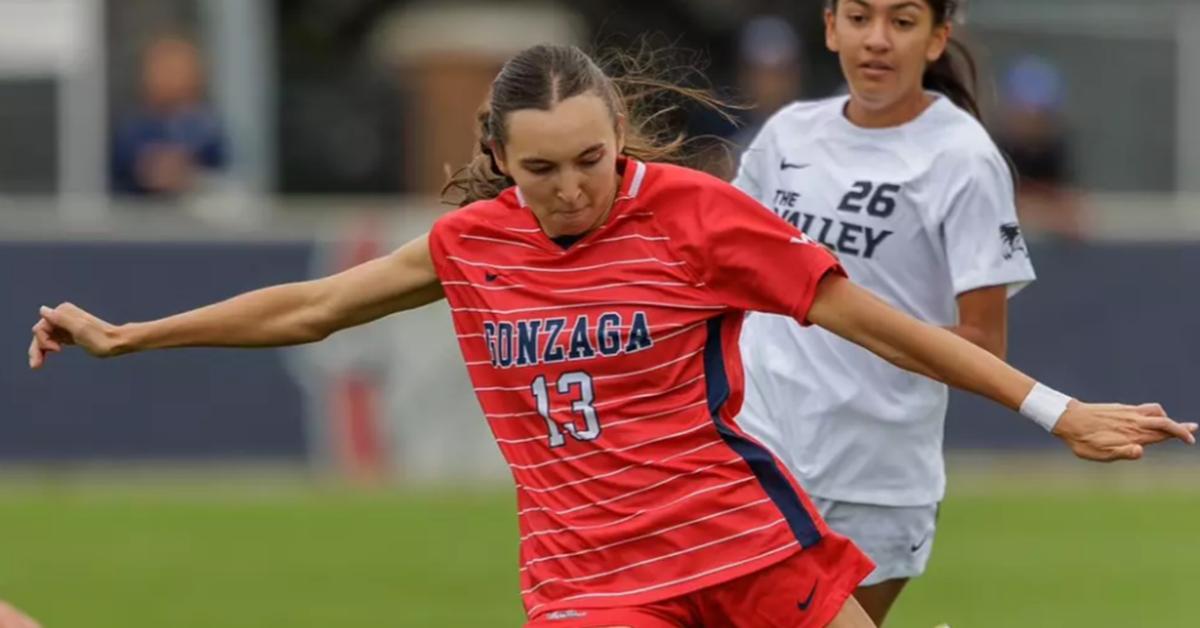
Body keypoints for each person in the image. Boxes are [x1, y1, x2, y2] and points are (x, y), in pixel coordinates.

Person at [28, 43, 1194, 628]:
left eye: (593, 158)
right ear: (497, 161)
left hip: (750, 545)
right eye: (542, 169)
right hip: (590, 583)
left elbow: (884, 327)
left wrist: (1056, 409)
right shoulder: (472, 246)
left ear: (619, 132)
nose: (575, 187)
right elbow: (312, 306)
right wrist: (134, 336)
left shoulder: (696, 216)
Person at [730, 1, 1096, 624]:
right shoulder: (788, 135)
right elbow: (729, 276)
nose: (877, 40)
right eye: (859, 18)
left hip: (874, 482)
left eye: (901, 22)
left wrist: (866, 332)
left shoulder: (963, 158)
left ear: (936, 40)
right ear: (829, 27)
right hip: (756, 451)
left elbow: (984, 340)